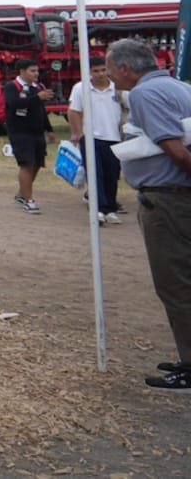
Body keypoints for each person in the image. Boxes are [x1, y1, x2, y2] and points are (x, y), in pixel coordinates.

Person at [104, 38, 191, 392]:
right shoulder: (178, 87)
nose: (108, 75)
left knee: (176, 284)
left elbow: (177, 151)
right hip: (177, 198)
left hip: (169, 201)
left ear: (126, 68)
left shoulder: (145, 93)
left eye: (110, 68)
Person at [68, 62, 124, 224]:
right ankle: (98, 208)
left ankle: (110, 208)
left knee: (112, 174)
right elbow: (74, 111)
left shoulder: (118, 87)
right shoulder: (81, 88)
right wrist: (79, 133)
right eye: (96, 71)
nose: (100, 74)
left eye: (103, 70)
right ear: (90, 72)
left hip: (114, 137)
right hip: (91, 137)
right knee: (95, 174)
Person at [3, 58, 56, 214]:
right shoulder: (12, 86)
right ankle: (29, 200)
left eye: (37, 70)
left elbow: (41, 110)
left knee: (37, 164)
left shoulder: (37, 87)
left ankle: (22, 194)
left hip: (37, 132)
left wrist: (49, 129)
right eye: (32, 71)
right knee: (26, 164)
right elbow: (14, 104)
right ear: (22, 71)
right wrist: (37, 97)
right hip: (19, 132)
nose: (36, 74)